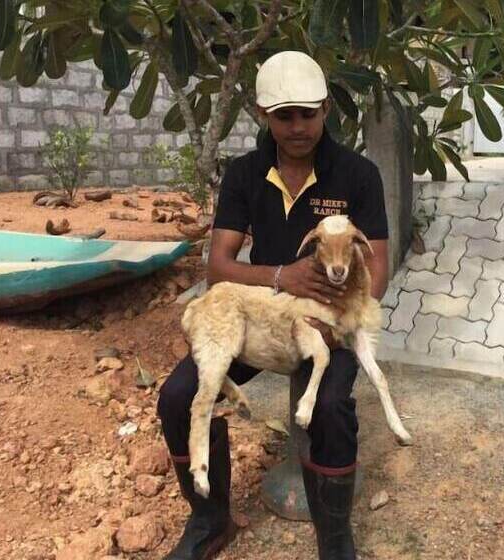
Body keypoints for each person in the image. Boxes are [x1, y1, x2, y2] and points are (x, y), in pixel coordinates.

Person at [156, 50, 389, 560]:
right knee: (178, 396)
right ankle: (211, 520)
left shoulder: (358, 175)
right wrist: (282, 277)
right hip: (259, 317)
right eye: (284, 115)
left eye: (308, 113)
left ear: (327, 109)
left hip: (327, 321)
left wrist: (334, 325)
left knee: (328, 406)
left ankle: (334, 540)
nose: (298, 126)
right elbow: (219, 265)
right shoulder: (244, 174)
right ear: (263, 115)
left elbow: (380, 271)